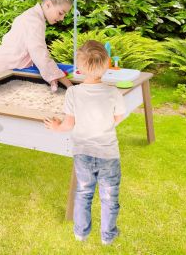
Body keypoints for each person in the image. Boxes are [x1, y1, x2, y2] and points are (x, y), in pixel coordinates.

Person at [44, 40, 126, 245]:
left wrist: (55, 127)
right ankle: (108, 236)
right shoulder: (114, 92)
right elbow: (118, 118)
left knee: (83, 192)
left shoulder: (73, 92)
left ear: (79, 67)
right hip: (108, 154)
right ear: (107, 65)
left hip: (83, 153)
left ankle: (80, 233)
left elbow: (68, 124)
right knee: (109, 197)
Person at [0, 0, 74, 91]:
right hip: (0, 71)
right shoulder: (34, 21)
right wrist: (68, 84)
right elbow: (40, 55)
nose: (62, 18)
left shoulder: (31, 15)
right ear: (48, 4)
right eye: (61, 13)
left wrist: (52, 74)